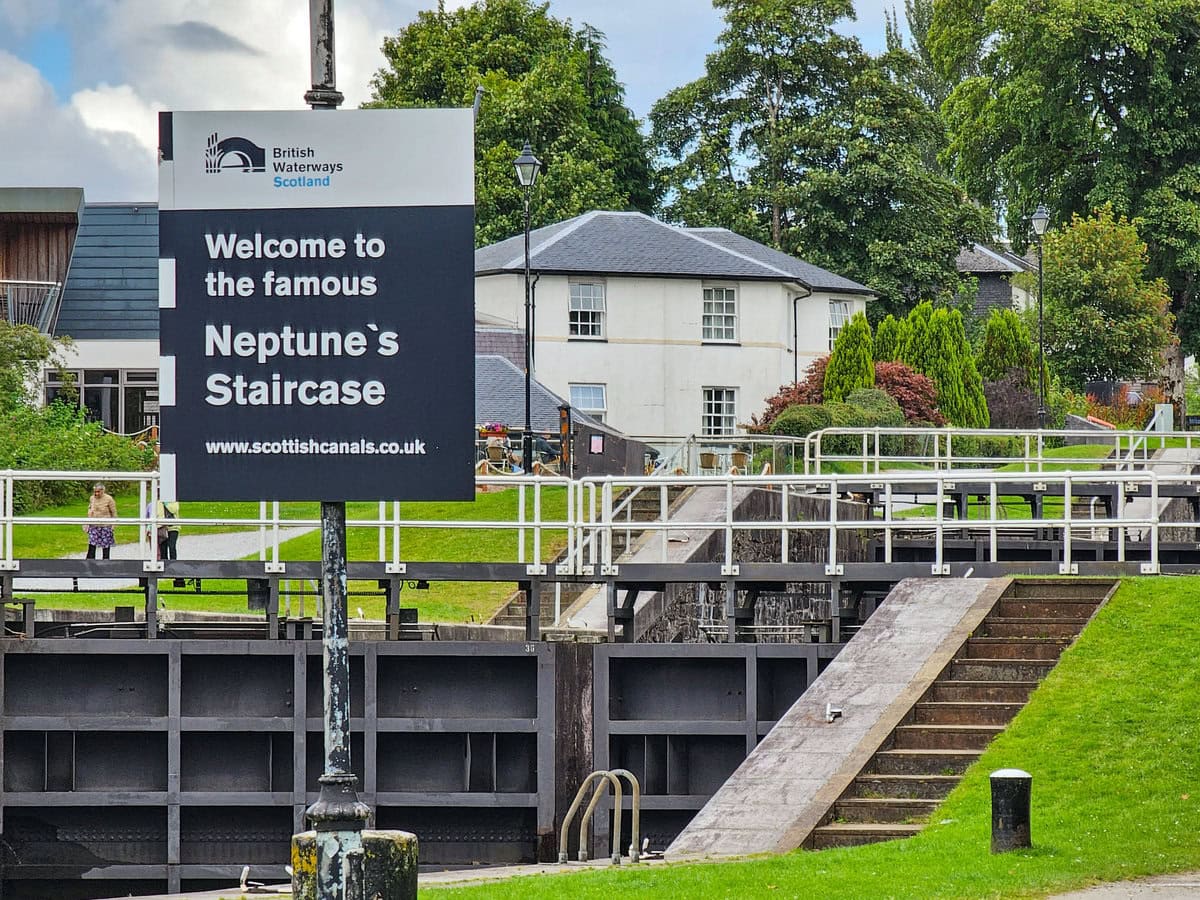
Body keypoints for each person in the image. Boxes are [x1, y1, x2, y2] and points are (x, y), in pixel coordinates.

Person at [84, 482, 117, 559]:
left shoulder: (109, 499)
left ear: (103, 491)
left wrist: (113, 525)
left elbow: (114, 512)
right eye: (95, 491)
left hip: (105, 526)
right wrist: (86, 523)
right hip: (94, 525)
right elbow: (90, 510)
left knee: (105, 546)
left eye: (98, 491)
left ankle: (105, 561)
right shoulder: (92, 498)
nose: (96, 493)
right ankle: (90, 561)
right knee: (92, 544)